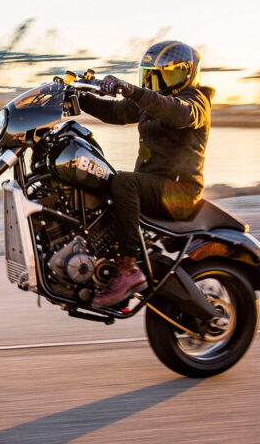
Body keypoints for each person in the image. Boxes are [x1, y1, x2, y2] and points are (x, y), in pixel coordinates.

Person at [79, 40, 215, 308]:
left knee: (124, 182)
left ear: (187, 73)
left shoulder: (195, 102)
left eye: (168, 73)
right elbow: (115, 112)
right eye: (153, 75)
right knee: (100, 179)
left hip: (180, 194)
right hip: (155, 187)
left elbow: (177, 113)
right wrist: (77, 96)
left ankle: (128, 269)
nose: (160, 80)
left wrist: (131, 90)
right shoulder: (152, 101)